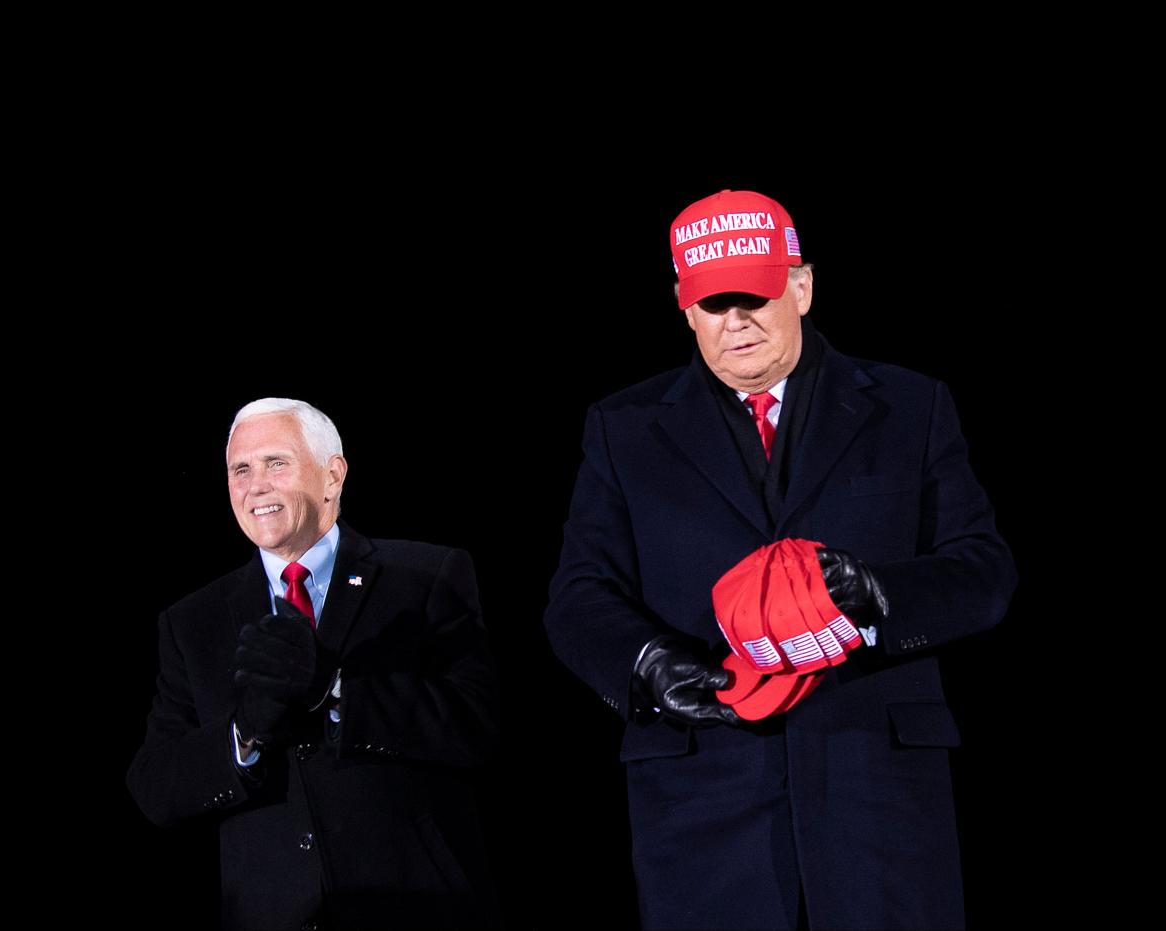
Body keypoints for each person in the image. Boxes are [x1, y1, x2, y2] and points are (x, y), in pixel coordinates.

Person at [543, 189, 1016, 930]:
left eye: (755, 296)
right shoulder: (621, 429)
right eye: (713, 302)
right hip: (701, 804)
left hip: (879, 798)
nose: (737, 321)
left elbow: (984, 572)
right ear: (683, 305)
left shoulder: (909, 405)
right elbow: (576, 597)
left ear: (802, 285)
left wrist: (879, 598)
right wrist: (646, 663)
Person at [127, 397, 499, 930]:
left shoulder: (424, 576)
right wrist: (244, 735)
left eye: (276, 462)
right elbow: (155, 786)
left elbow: (477, 726)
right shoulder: (194, 621)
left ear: (333, 475)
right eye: (240, 469)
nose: (255, 485)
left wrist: (337, 691)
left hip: (417, 907)